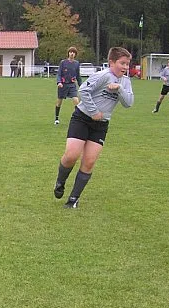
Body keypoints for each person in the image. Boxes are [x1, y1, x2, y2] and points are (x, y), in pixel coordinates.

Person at [53, 47, 134, 209]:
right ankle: (60, 182)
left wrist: (119, 89)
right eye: (122, 63)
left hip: (101, 126)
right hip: (82, 118)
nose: (125, 67)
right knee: (71, 156)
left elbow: (128, 103)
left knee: (89, 162)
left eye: (127, 64)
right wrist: (94, 111)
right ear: (112, 62)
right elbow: (83, 90)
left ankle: (73, 199)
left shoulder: (125, 81)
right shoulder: (103, 75)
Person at [54, 47, 82, 124]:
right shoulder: (63, 62)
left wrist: (81, 85)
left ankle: (78, 118)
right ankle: (56, 118)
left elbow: (78, 76)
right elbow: (59, 73)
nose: (72, 53)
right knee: (59, 102)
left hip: (72, 85)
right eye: (70, 52)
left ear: (75, 54)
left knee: (76, 100)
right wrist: (59, 82)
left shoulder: (76, 63)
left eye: (73, 52)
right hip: (63, 85)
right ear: (68, 53)